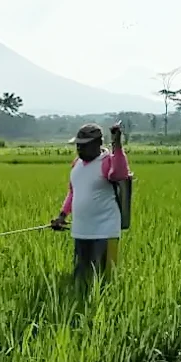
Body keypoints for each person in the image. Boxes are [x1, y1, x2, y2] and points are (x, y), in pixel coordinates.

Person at [51, 121, 131, 287]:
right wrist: (62, 215)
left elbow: (120, 173)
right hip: (81, 231)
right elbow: (73, 192)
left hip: (105, 231)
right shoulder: (76, 164)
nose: (79, 149)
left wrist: (117, 144)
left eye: (84, 146)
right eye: (78, 146)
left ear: (98, 144)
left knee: (104, 281)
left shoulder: (107, 161)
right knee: (82, 277)